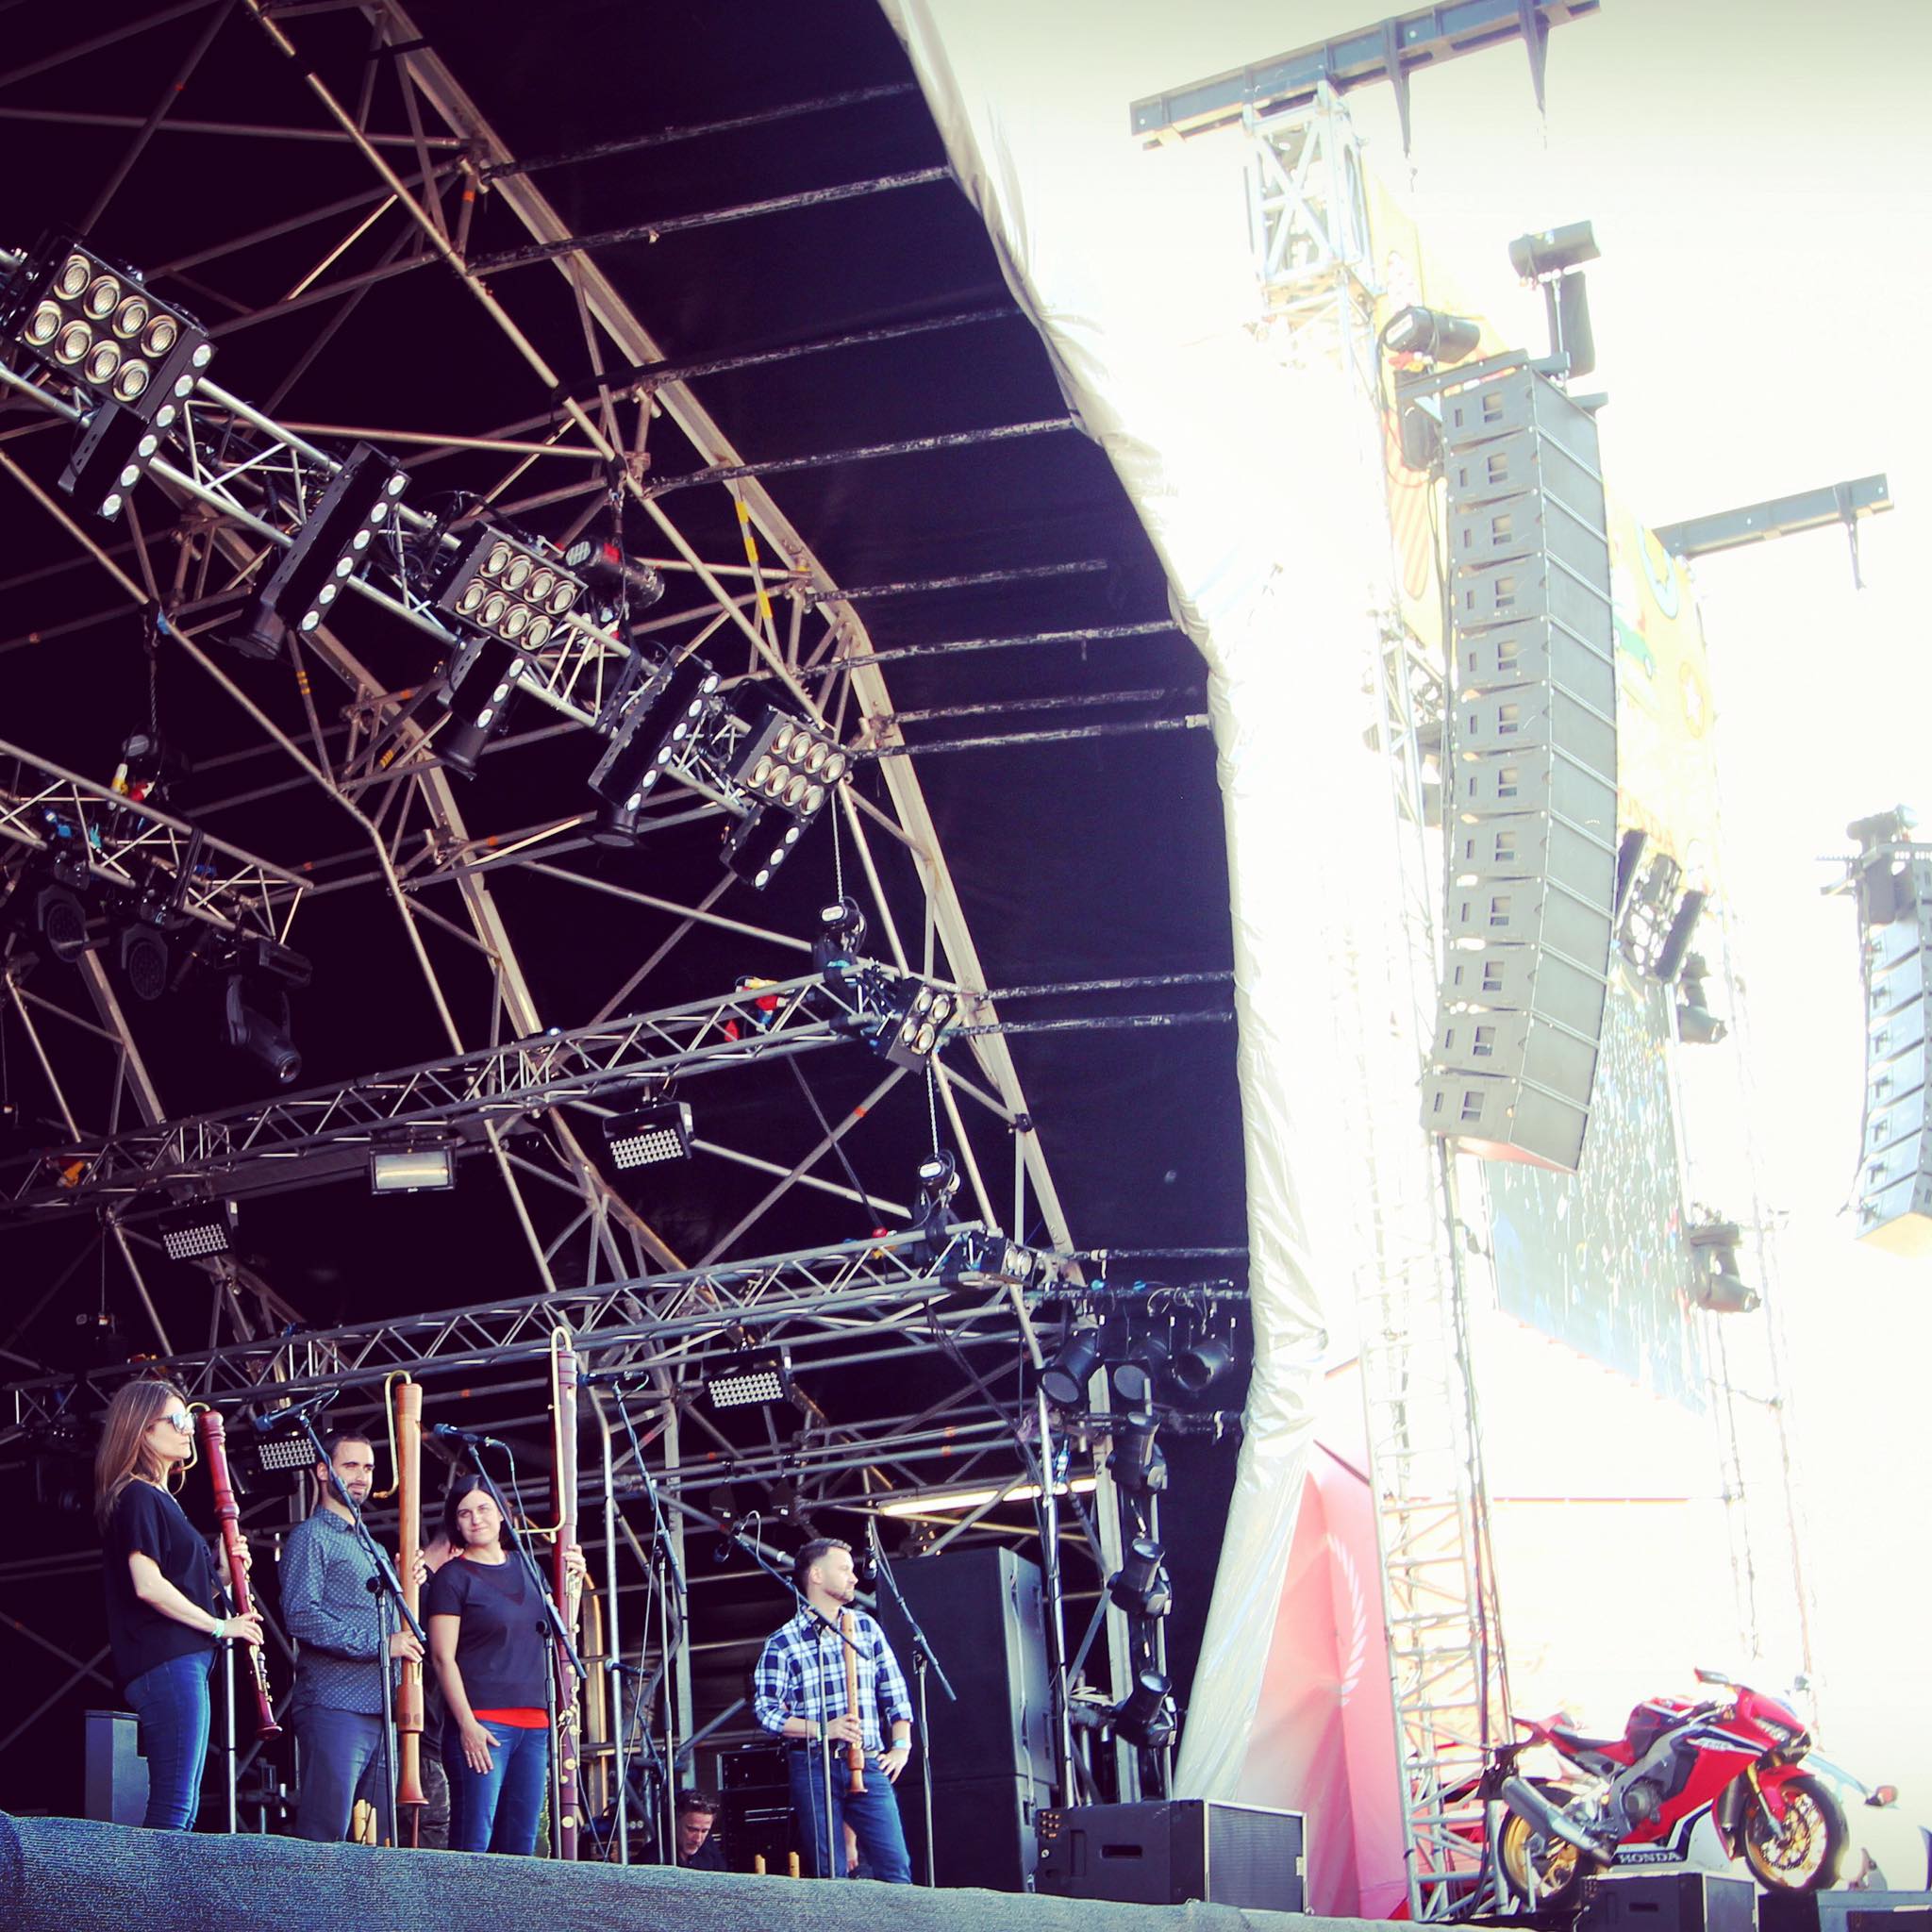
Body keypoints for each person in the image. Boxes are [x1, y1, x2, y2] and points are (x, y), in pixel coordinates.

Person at [93, 1379, 265, 1831]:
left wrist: (223, 1575)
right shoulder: (136, 1495)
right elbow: (147, 1586)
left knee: (181, 1805)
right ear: (143, 1430)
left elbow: (178, 1593)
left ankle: (156, 1900)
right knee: (173, 1805)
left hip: (180, 1659)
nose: (188, 1428)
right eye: (177, 1419)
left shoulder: (160, 1498)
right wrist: (219, 1626)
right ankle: (147, 1902)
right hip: (166, 1662)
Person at [425, 1476, 584, 1855]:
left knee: (522, 1844)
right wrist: (466, 1724)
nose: (475, 1519)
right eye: (464, 1513)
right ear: (455, 1523)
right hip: (484, 1723)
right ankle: (464, 1915)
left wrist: (573, 1584)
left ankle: (513, 1916)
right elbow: (441, 1656)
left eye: (483, 1509)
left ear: (502, 1514)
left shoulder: (527, 1566)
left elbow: (559, 1629)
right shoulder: (453, 1576)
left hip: (534, 1723)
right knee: (474, 1841)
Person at [280, 1430, 425, 1843]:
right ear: (324, 1471)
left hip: (384, 1710)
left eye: (368, 1467)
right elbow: (301, 1616)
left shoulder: (373, 1544)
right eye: (351, 1466)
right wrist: (382, 1645)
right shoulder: (311, 1537)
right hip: (334, 1705)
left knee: (379, 1841)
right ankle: (314, 1910)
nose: (361, 1477)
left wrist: (409, 1583)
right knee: (325, 1836)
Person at [752, 1536, 913, 1883]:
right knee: (831, 1875)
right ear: (816, 1576)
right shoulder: (783, 1641)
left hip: (868, 1762)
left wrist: (901, 1747)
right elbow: (766, 1712)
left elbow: (895, 1693)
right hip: (812, 1765)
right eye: (844, 1569)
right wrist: (825, 1728)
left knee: (896, 1866)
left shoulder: (865, 1628)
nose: (854, 1578)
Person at [675, 1788, 725, 1871]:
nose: (698, 1839)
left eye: (704, 1831)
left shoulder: (709, 1848)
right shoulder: (655, 1856)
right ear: (676, 1821)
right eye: (692, 1830)